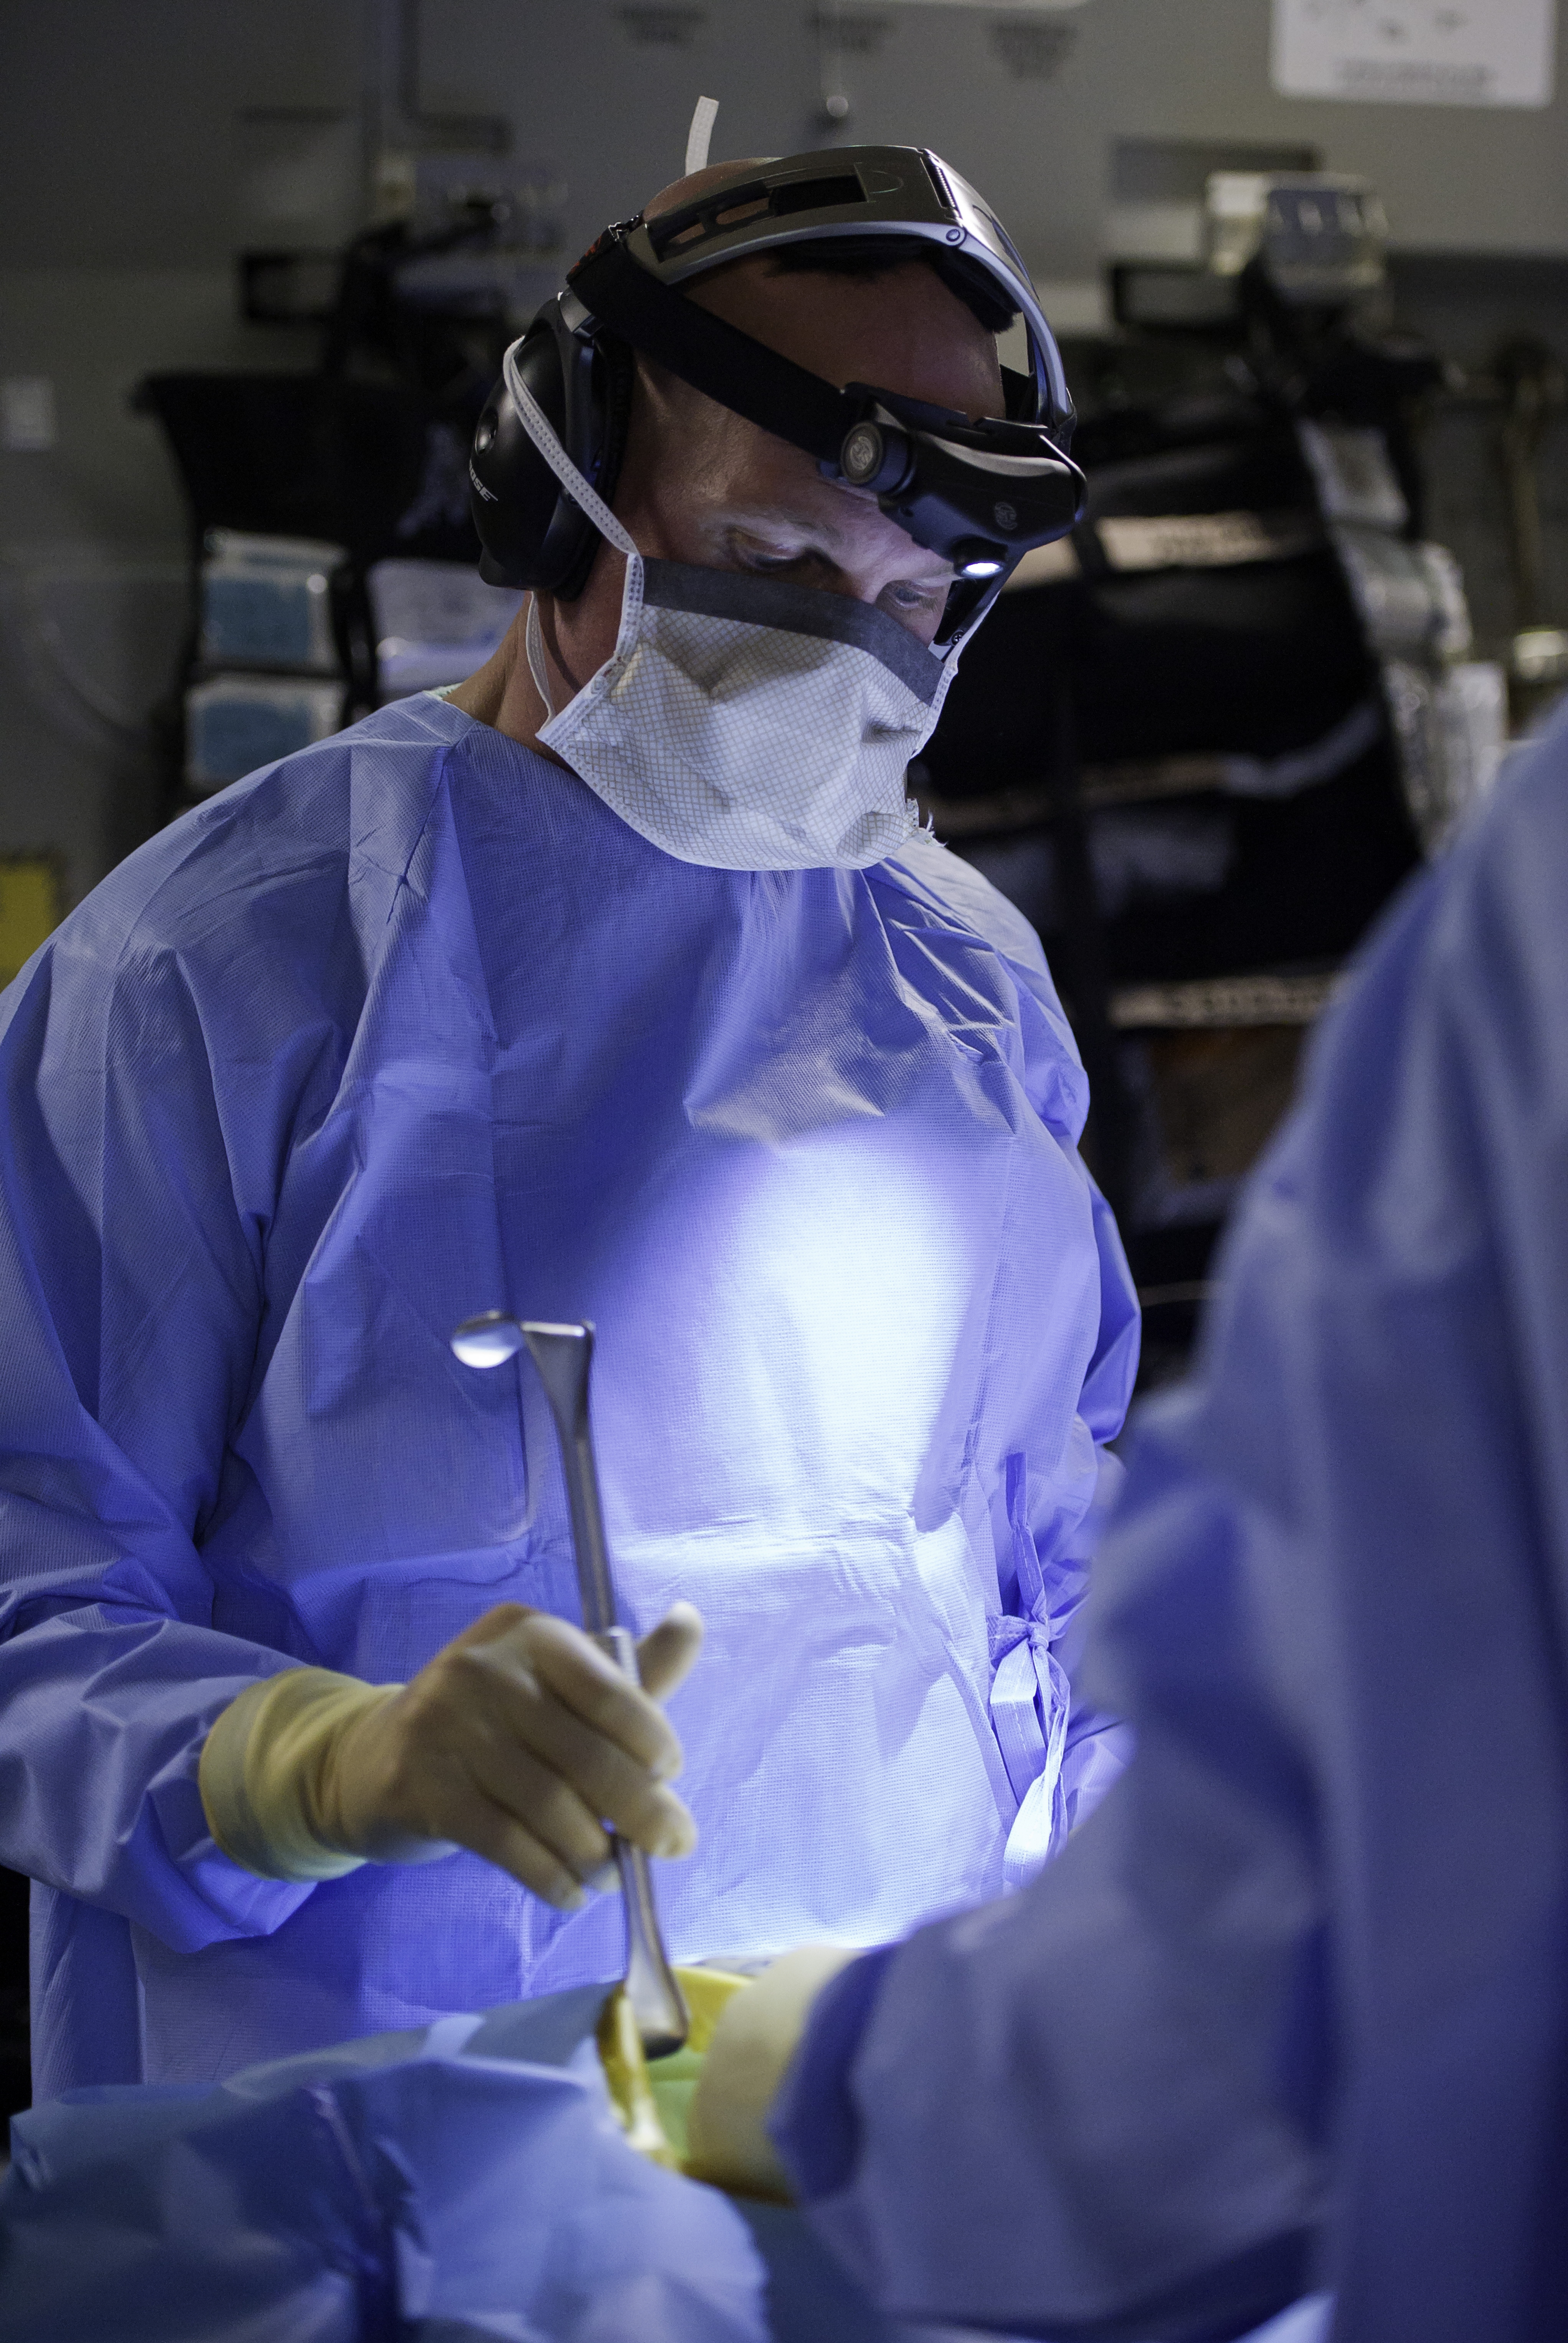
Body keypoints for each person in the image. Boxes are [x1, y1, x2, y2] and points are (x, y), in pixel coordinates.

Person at [0, 144, 1138, 2101]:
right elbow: (31, 1587)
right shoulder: (221, 968)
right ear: (554, 496)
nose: (844, 657)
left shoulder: (963, 986)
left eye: (911, 604)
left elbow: (1053, 1570)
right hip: (364, 2154)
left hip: (854, 2124)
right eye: (777, 567)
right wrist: (312, 1765)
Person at [684, 699, 1568, 2343]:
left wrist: (826, 2084)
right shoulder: (207, 969)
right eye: (780, 553)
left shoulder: (1527, 940)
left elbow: (1286, 1957)